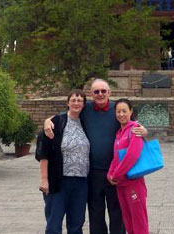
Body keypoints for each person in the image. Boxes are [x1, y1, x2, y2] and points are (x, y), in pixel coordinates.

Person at [44, 79, 147, 234]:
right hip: (93, 172)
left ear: (109, 93)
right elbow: (69, 112)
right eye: (96, 92)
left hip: (116, 172)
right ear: (91, 94)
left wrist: (144, 131)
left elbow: (131, 123)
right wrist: (48, 121)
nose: (100, 94)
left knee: (117, 212)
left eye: (103, 91)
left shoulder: (117, 109)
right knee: (95, 212)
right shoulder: (86, 109)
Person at [36, 89, 90, 234]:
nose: (76, 103)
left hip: (81, 182)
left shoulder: (86, 124)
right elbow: (43, 154)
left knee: (77, 224)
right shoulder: (56, 123)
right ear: (67, 103)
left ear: (84, 104)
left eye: (80, 101)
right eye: (73, 100)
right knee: (54, 223)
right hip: (59, 181)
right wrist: (44, 180)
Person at [107, 99, 149, 234]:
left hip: (133, 183)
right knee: (128, 222)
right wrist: (110, 174)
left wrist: (116, 174)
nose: (121, 114)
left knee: (139, 223)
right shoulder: (119, 132)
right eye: (118, 111)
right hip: (121, 185)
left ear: (131, 112)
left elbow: (132, 155)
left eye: (124, 111)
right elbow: (116, 157)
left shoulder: (135, 129)